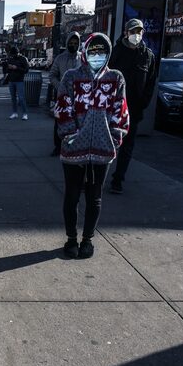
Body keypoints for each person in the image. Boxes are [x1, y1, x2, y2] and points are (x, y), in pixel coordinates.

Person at [54, 32, 130, 259]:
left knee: (94, 197)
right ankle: (71, 239)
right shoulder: (71, 77)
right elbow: (62, 107)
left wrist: (115, 138)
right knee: (72, 195)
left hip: (102, 149)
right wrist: (70, 135)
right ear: (85, 52)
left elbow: (120, 111)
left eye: (102, 51)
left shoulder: (116, 78)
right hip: (74, 149)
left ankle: (87, 239)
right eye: (93, 51)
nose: (97, 55)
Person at [108, 18, 156, 194]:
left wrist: (143, 103)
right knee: (107, 143)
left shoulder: (148, 56)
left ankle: (118, 179)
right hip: (113, 107)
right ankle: (95, 176)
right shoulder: (116, 52)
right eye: (133, 31)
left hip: (134, 109)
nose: (137, 35)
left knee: (127, 146)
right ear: (125, 33)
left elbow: (150, 82)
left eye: (139, 31)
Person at [49, 32, 82, 156]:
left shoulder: (82, 58)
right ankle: (58, 147)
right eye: (71, 43)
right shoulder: (60, 58)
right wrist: (60, 87)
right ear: (67, 43)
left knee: (77, 122)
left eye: (76, 43)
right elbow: (52, 75)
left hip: (78, 96)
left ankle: (74, 145)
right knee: (60, 121)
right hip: (62, 96)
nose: (73, 45)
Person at [4, 46, 29, 120]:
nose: (13, 55)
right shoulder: (10, 59)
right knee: (13, 98)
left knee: (21, 98)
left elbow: (26, 70)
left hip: (19, 80)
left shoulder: (23, 59)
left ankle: (25, 113)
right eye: (12, 54)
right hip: (11, 80)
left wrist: (17, 68)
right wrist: (9, 67)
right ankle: (14, 113)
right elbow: (6, 70)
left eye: (14, 54)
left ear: (18, 53)